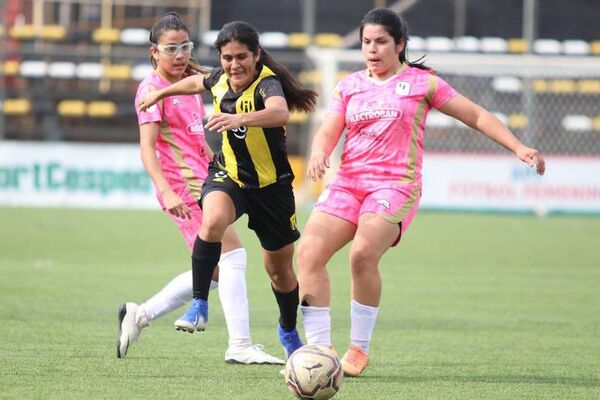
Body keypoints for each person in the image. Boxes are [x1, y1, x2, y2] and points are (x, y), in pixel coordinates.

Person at [297, 8, 546, 378]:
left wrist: (518, 147)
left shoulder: (422, 83)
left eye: (381, 41)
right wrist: (319, 151)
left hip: (394, 185)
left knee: (362, 254)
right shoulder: (349, 86)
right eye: (367, 42)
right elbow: (329, 128)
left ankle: (358, 350)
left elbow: (475, 115)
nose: (372, 49)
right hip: (348, 182)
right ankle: (319, 350)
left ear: (400, 44)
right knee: (308, 253)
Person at [138, 20, 317, 358]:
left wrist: (239, 120)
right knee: (213, 221)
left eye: (241, 57)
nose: (234, 65)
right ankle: (198, 304)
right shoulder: (219, 78)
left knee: (280, 271)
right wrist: (160, 92)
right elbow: (195, 82)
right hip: (229, 176)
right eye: (227, 58)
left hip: (272, 188)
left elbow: (279, 114)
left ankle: (288, 329)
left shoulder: (268, 84)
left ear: (256, 55)